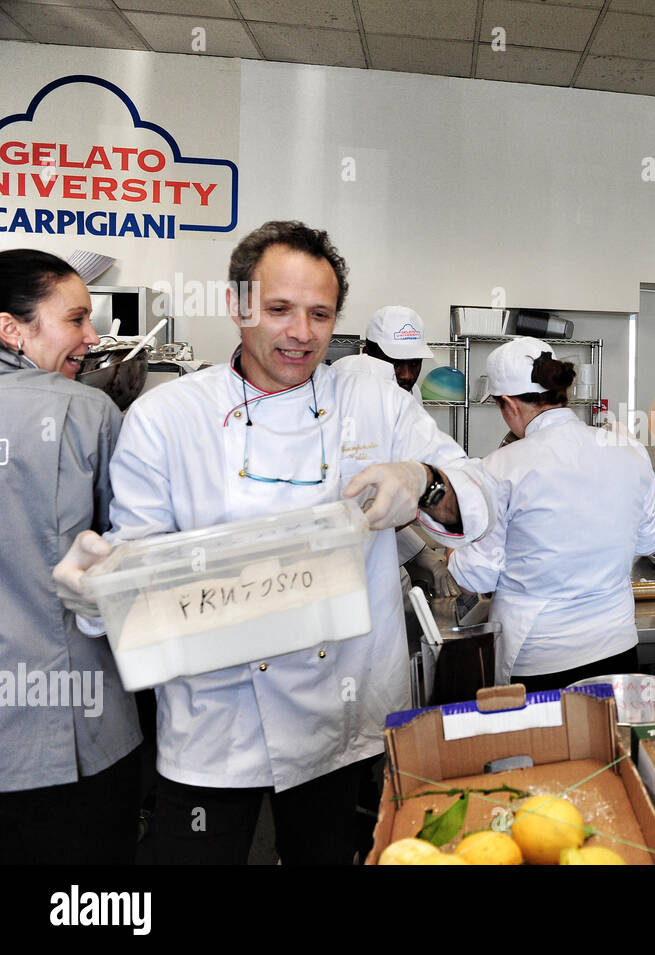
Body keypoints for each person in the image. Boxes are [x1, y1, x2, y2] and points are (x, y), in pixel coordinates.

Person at [52, 221, 492, 865]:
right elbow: (139, 570)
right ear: (237, 306)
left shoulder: (369, 397)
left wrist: (423, 481)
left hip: (340, 720)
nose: (302, 333)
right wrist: (98, 593)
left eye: (320, 314)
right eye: (280, 309)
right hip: (215, 722)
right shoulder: (168, 417)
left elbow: (475, 497)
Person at [0, 249, 142, 864]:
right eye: (77, 320)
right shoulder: (86, 412)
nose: (93, 336)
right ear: (12, 328)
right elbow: (136, 555)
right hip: (69, 729)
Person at [449, 337, 655, 691]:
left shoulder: (499, 467)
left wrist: (453, 545)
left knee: (544, 747)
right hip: (617, 646)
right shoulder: (626, 450)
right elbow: (650, 538)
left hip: (540, 656)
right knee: (609, 744)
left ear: (508, 404)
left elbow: (478, 577)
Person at [331, 308, 459, 599]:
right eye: (395, 362)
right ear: (368, 352)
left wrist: (426, 553)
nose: (406, 373)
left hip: (377, 548)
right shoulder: (345, 384)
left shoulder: (408, 397)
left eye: (413, 363)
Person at [332, 304, 432, 397]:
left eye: (414, 364)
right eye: (395, 363)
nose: (407, 376)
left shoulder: (413, 393)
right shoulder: (345, 393)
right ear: (367, 354)